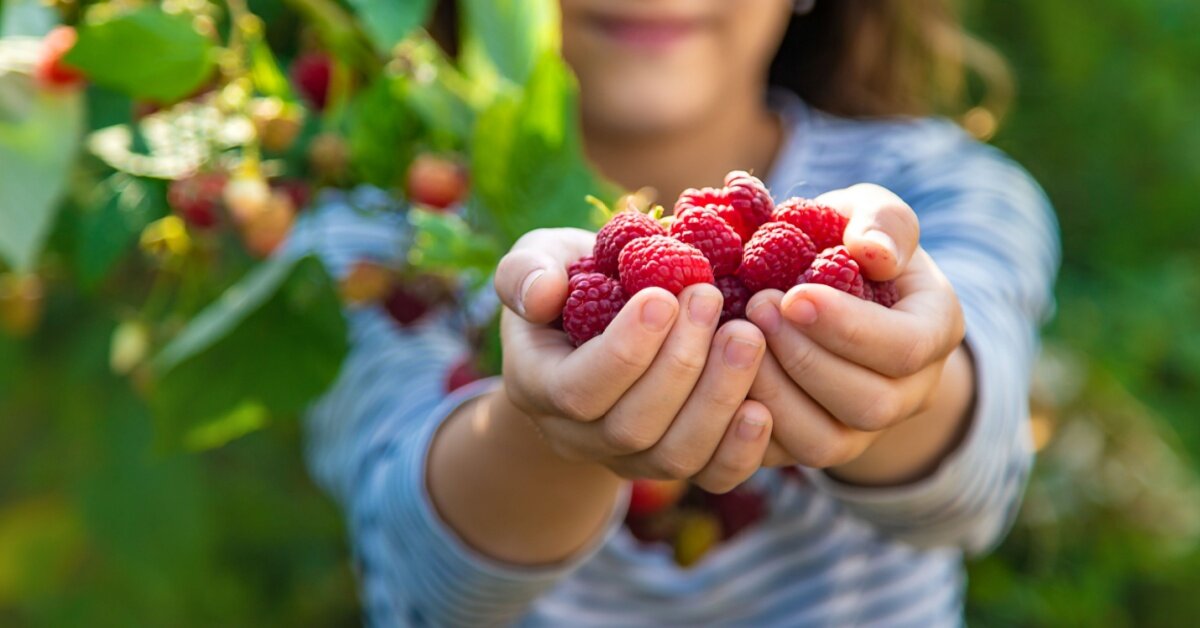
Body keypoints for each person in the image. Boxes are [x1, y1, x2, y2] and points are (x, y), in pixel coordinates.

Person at [286, 0, 1060, 625]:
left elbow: (974, 494)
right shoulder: (384, 239)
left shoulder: (944, 189)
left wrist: (903, 379)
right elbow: (423, 580)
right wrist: (547, 424)